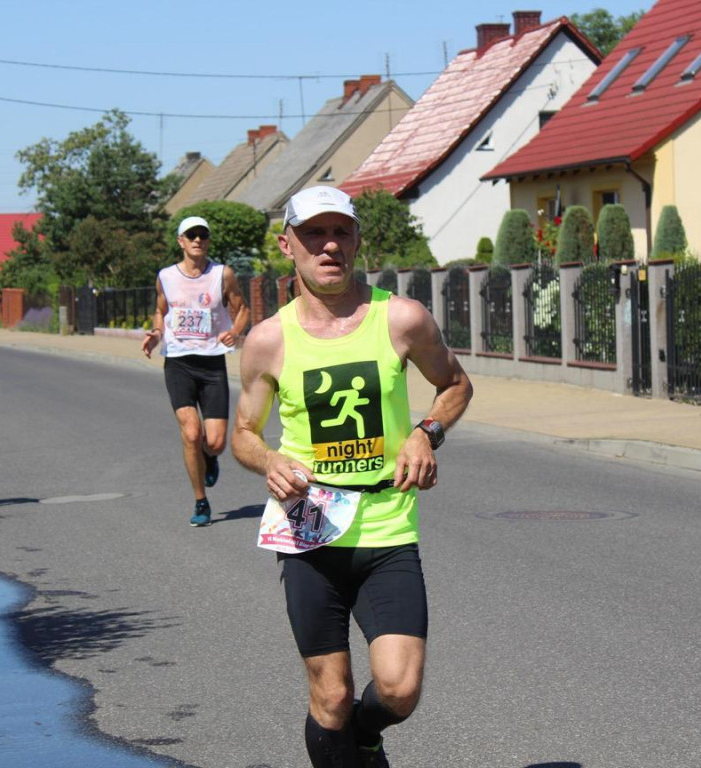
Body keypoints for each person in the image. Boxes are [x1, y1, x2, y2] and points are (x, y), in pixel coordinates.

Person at [232, 186, 473, 767]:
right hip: (311, 534)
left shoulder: (402, 318)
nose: (330, 245)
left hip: (387, 529)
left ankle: (367, 738)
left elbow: (456, 385)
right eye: (314, 233)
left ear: (358, 239)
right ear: (288, 245)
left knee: (398, 688)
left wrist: (426, 433)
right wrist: (269, 460)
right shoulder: (268, 340)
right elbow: (242, 433)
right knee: (332, 694)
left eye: (341, 231)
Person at [142, 215, 248, 527]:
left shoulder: (222, 274)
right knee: (191, 432)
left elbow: (241, 308)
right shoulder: (166, 276)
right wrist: (156, 332)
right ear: (181, 241)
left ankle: (209, 457)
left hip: (212, 361)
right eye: (191, 235)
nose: (197, 239)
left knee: (215, 442)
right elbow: (161, 310)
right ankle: (201, 501)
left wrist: (235, 331)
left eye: (203, 235)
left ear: (208, 240)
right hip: (178, 361)